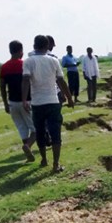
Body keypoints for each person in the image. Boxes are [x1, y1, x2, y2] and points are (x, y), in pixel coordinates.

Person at [22, 34, 73, 173]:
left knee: (39, 132)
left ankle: (44, 159)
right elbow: (61, 81)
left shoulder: (28, 61)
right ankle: (56, 164)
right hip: (53, 101)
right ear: (47, 46)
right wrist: (69, 97)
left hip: (37, 103)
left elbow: (25, 80)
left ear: (34, 46)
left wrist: (24, 100)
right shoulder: (53, 60)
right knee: (55, 132)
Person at [0, 40, 35, 162]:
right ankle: (28, 146)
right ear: (21, 51)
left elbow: (2, 87)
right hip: (27, 101)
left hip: (12, 102)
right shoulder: (24, 64)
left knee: (22, 129)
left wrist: (5, 103)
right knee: (36, 129)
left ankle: (28, 153)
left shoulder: (4, 67)